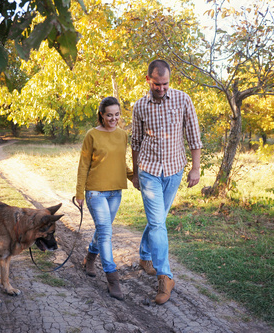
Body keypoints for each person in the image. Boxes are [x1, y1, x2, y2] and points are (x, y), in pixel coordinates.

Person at [131, 59, 202, 305]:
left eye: (165, 84)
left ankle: (144, 256)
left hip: (173, 171)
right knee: (158, 224)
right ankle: (165, 277)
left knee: (157, 220)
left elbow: (194, 135)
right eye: (157, 84)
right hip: (149, 169)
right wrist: (135, 172)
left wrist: (196, 168)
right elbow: (136, 142)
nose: (161, 88)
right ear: (148, 80)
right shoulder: (139, 106)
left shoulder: (183, 100)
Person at [75, 96, 133, 300]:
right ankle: (112, 277)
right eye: (109, 115)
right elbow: (83, 165)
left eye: (117, 114)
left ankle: (90, 258)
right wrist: (79, 193)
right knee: (106, 232)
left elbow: (119, 163)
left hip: (115, 192)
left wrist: (133, 177)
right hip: (95, 192)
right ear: (101, 114)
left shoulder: (123, 135)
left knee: (102, 230)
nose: (114, 118)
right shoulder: (92, 135)